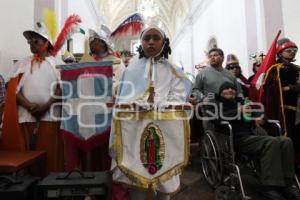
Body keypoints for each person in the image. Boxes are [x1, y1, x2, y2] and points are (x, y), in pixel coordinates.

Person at [110, 26, 189, 200]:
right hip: (135, 129)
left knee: (164, 180)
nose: (151, 42)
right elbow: (122, 97)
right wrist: (137, 102)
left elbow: (179, 95)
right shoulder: (130, 69)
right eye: (147, 38)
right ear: (141, 43)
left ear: (164, 42)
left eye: (156, 38)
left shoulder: (173, 69)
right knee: (137, 180)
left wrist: (164, 104)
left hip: (165, 129)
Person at [209, 82, 300, 200]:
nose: (230, 90)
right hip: (235, 139)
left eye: (232, 88)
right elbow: (215, 118)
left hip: (253, 135)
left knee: (286, 141)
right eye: (226, 88)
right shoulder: (216, 103)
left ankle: (288, 183)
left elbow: (258, 112)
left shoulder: (242, 101)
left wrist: (261, 117)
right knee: (270, 143)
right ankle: (269, 185)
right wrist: (238, 111)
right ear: (220, 92)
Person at [2, 23, 64, 174]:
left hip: (49, 117)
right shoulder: (22, 64)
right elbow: (11, 88)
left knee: (49, 158)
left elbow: (63, 88)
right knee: (26, 158)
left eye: (36, 41)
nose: (31, 44)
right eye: (30, 41)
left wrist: (46, 105)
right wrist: (28, 105)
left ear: (46, 42)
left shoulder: (57, 64)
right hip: (26, 117)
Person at [262, 38, 300, 165]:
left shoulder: (297, 69)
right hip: (283, 110)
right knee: (288, 137)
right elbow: (270, 91)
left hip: (298, 109)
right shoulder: (275, 69)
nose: (292, 53)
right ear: (280, 52)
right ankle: (289, 165)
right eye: (288, 51)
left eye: (294, 51)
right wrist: (290, 87)